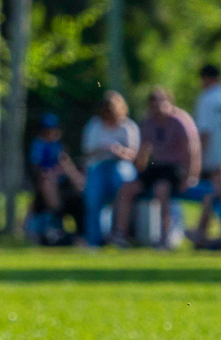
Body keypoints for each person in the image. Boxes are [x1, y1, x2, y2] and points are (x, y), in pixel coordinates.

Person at [114, 87, 201, 249]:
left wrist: (191, 176)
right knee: (127, 189)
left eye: (161, 104)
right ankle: (120, 235)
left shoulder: (180, 121)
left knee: (161, 189)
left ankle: (164, 237)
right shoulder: (149, 122)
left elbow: (192, 150)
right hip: (156, 165)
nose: (158, 109)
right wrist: (138, 168)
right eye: (154, 106)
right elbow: (143, 150)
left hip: (175, 168)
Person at [81, 91, 140, 246]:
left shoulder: (128, 126)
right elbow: (87, 151)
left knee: (123, 185)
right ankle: (94, 239)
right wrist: (102, 149)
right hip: (98, 165)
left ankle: (120, 234)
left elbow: (134, 155)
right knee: (93, 196)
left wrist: (119, 151)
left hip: (120, 165)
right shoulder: (95, 125)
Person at [26, 113, 85, 243]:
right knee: (48, 181)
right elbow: (37, 169)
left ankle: (84, 233)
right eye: (48, 131)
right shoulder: (39, 145)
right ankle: (57, 214)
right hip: (47, 186)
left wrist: (66, 170)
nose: (52, 134)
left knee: (78, 180)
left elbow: (66, 166)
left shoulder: (59, 146)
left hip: (64, 185)